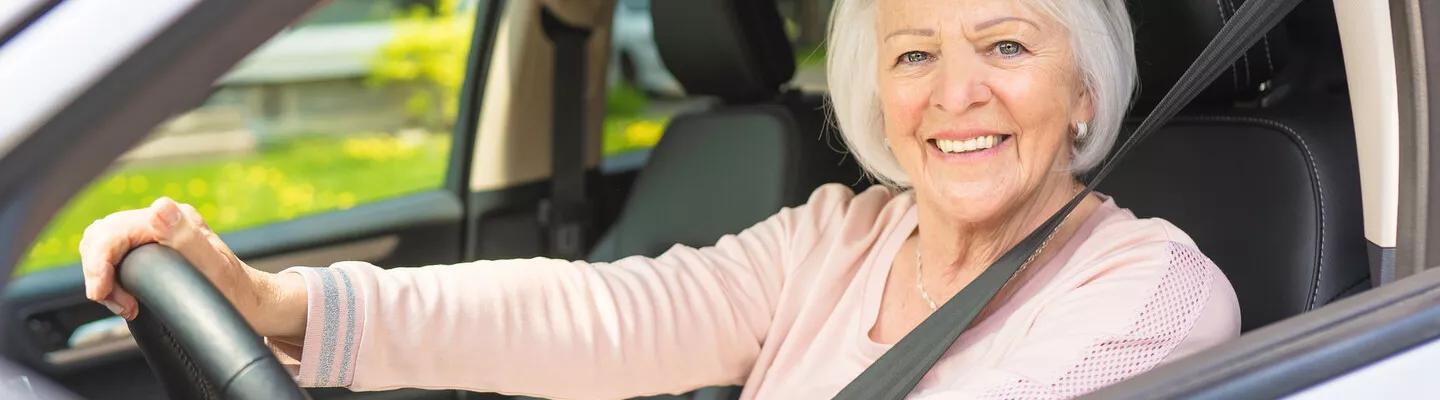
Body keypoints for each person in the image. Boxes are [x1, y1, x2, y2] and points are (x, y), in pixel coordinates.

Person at [79, 0, 1240, 398]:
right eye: (914, 54)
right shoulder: (841, 234)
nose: (957, 94)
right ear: (878, 95)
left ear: (1085, 90)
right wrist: (286, 304)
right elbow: (607, 314)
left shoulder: (1150, 292)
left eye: (1003, 44)